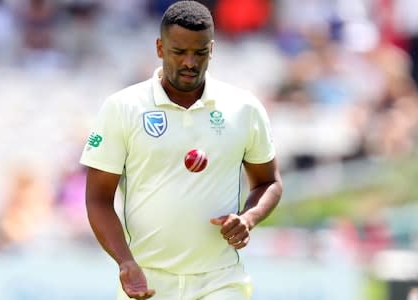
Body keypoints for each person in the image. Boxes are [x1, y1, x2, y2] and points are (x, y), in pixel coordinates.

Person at [79, 1, 282, 299]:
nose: (190, 62)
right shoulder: (122, 107)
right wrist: (125, 261)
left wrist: (248, 218)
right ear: (160, 48)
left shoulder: (243, 108)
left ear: (211, 50)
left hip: (221, 280)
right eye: (179, 52)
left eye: (200, 53)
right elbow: (97, 199)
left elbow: (269, 182)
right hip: (147, 280)